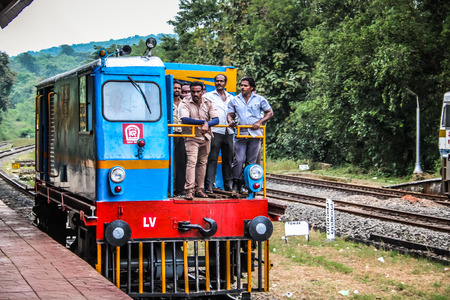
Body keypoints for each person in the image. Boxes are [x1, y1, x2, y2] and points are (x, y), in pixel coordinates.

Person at [227, 76, 273, 193]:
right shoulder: (235, 100)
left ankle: (245, 183)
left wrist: (260, 122)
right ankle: (236, 182)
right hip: (241, 134)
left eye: (245, 85)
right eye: (241, 85)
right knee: (239, 159)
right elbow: (230, 114)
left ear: (252, 88)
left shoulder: (260, 99)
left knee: (251, 161)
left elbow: (270, 112)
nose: (242, 87)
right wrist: (230, 121)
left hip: (255, 134)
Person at [179, 81, 219, 200]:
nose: (195, 94)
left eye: (198, 91)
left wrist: (208, 124)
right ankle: (189, 190)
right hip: (191, 137)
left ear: (202, 92)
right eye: (193, 92)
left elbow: (216, 119)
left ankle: (199, 189)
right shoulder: (185, 102)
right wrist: (203, 123)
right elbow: (185, 119)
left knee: (202, 163)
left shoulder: (208, 102)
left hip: (205, 137)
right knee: (192, 162)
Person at [204, 74, 234, 192]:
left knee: (229, 159)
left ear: (225, 83)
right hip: (215, 131)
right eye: (217, 81)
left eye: (221, 81)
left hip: (228, 131)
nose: (219, 83)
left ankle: (228, 185)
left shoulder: (231, 97)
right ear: (214, 82)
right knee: (212, 158)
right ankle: (210, 185)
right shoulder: (208, 96)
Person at [172, 80, 186, 195]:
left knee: (182, 162)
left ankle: (180, 189)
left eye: (178, 88)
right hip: (170, 135)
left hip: (183, 135)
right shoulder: (166, 102)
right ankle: (170, 188)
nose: (177, 90)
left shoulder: (184, 103)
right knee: (171, 162)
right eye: (175, 88)